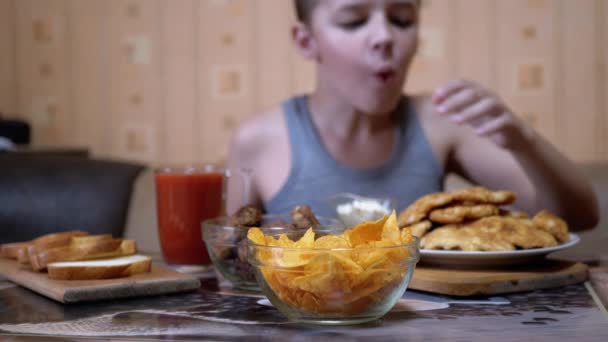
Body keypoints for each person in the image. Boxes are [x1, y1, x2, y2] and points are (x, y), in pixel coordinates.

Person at [227, 0, 598, 230]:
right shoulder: (259, 141)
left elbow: (579, 217)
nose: (384, 37)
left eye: (401, 19)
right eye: (354, 21)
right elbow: (229, 263)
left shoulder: (440, 121)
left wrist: (523, 141)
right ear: (306, 41)